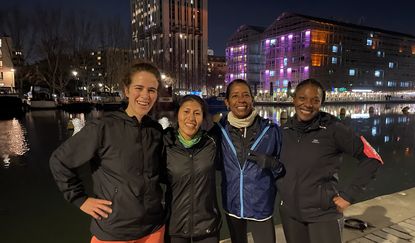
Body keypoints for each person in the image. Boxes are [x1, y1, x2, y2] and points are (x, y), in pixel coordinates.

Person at [50, 62, 166, 243]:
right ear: (126, 90)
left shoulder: (156, 130)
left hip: (153, 227)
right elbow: (59, 161)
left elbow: (161, 173)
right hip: (114, 230)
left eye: (152, 90)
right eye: (139, 88)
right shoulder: (103, 127)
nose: (145, 95)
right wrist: (80, 199)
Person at [277, 78, 384, 243]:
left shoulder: (334, 129)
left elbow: (372, 158)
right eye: (302, 98)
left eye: (315, 100)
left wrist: (349, 195)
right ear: (294, 100)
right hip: (290, 214)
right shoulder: (284, 130)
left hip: (322, 214)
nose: (308, 104)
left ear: (321, 103)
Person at [216, 79, 284, 243]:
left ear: (252, 100)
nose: (241, 100)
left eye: (246, 95)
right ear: (227, 102)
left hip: (261, 205)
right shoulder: (219, 130)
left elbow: (285, 168)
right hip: (232, 205)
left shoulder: (272, 130)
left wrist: (273, 164)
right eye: (235, 95)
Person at [162, 95, 221, 243]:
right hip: (176, 228)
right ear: (177, 114)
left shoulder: (212, 142)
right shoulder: (165, 144)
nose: (191, 118)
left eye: (197, 113)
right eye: (186, 111)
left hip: (208, 228)